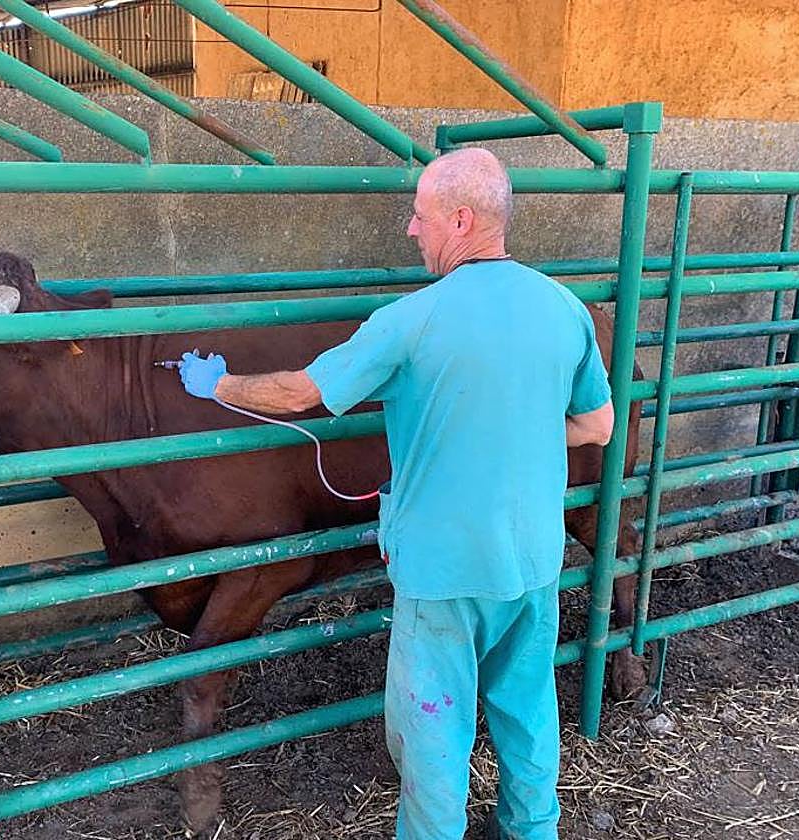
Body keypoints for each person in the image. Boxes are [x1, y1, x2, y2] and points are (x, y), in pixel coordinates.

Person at [177, 147, 614, 840]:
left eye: (420, 216)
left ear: (462, 220)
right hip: (533, 558)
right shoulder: (565, 310)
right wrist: (512, 428)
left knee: (435, 736)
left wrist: (220, 387)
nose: (413, 230)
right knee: (529, 710)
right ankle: (533, 828)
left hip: (442, 572)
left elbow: (304, 392)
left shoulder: (410, 321)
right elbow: (596, 425)